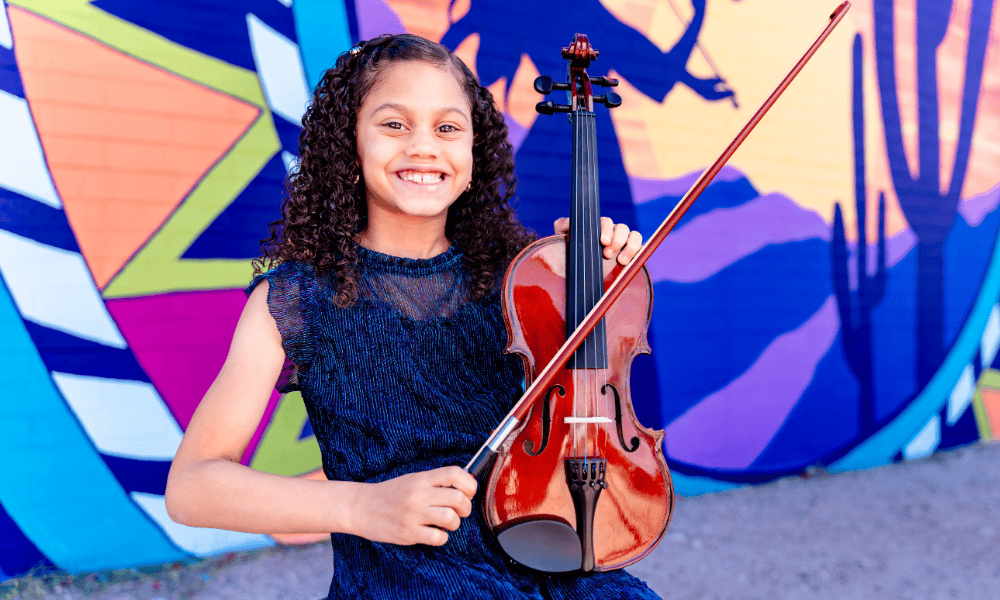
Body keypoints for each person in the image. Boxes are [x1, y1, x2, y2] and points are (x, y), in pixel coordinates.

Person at [165, 34, 660, 600]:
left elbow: (589, 409)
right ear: (348, 148)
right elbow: (192, 486)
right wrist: (362, 505)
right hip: (404, 582)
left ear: (475, 156)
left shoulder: (526, 280)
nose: (424, 146)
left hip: (551, 554)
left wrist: (587, 281)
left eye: (447, 128)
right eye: (394, 125)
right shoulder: (297, 300)